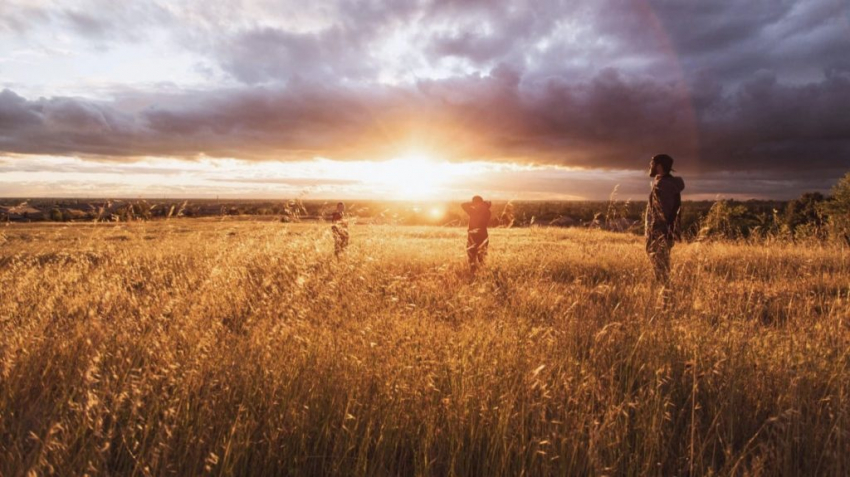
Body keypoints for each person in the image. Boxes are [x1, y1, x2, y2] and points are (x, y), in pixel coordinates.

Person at [645, 154, 685, 284]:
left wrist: (656, 233)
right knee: (660, 265)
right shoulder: (662, 182)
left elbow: (664, 213)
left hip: (661, 233)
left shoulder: (665, 185)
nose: (650, 166)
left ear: (659, 166)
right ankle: (663, 289)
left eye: (652, 163)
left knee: (661, 267)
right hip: (662, 232)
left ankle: (664, 291)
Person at [461, 196, 491, 273]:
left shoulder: (473, 211)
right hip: (483, 234)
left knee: (472, 254)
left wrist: (473, 204)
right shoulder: (487, 211)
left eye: (474, 203)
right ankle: (482, 272)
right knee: (482, 255)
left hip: (473, 235)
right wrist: (484, 204)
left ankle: (473, 272)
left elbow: (463, 205)